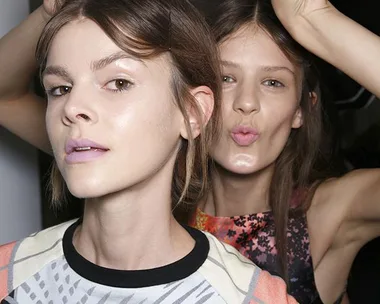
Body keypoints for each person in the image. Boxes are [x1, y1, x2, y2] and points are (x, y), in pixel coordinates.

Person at [0, 0, 296, 303]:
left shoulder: (250, 297)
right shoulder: (8, 275)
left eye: (118, 83)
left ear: (192, 112)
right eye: (60, 89)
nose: (73, 108)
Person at [186, 0, 380, 303]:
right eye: (225, 78)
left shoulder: (330, 212)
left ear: (300, 110)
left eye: (273, 82)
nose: (247, 102)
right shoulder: (157, 215)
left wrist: (313, 18)